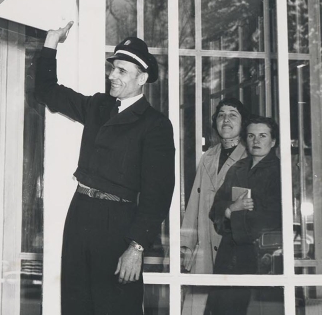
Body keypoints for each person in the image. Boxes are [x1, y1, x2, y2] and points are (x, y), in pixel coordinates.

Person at [34, 22, 175, 315]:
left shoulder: (155, 125)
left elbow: (157, 196)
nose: (112, 75)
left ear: (142, 78)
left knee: (116, 307)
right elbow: (47, 90)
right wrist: (51, 43)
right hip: (80, 215)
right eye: (112, 68)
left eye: (122, 70)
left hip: (119, 226)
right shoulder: (99, 106)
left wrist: (136, 247)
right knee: (76, 305)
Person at [205, 116, 282, 315]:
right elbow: (215, 210)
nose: (256, 141)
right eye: (251, 135)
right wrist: (232, 208)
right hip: (228, 255)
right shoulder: (237, 168)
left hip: (260, 256)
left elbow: (272, 218)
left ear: (273, 141)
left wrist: (231, 214)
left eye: (262, 136)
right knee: (219, 309)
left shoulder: (279, 172)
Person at [180, 98, 250, 315]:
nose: (226, 119)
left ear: (243, 122)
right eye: (221, 114)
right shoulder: (208, 156)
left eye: (233, 115)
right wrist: (186, 244)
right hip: (204, 247)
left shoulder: (250, 156)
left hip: (233, 248)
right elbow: (194, 202)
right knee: (196, 307)